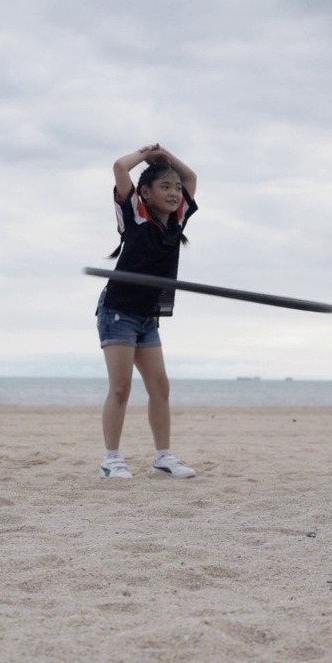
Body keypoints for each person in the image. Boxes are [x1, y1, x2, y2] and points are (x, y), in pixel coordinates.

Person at [96, 144, 200, 480]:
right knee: (121, 388)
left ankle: (163, 457)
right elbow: (119, 167)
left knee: (160, 388)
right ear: (145, 193)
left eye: (176, 189)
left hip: (147, 316)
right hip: (118, 310)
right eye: (165, 187)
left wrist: (168, 158)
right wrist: (148, 154)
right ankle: (111, 459)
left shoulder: (177, 223)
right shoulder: (135, 216)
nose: (174, 192)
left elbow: (191, 177)